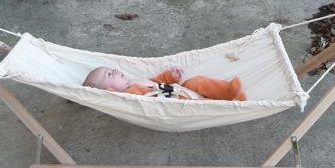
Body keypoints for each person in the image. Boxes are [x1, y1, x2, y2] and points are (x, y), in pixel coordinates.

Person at [82, 66, 246, 101]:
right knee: (203, 105)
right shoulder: (127, 95)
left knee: (196, 81)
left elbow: (156, 82)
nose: (117, 70)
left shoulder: (136, 82)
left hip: (180, 89)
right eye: (110, 74)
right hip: (178, 102)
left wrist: (170, 76)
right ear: (109, 89)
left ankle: (228, 90)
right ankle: (233, 104)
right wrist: (104, 94)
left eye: (112, 69)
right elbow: (110, 96)